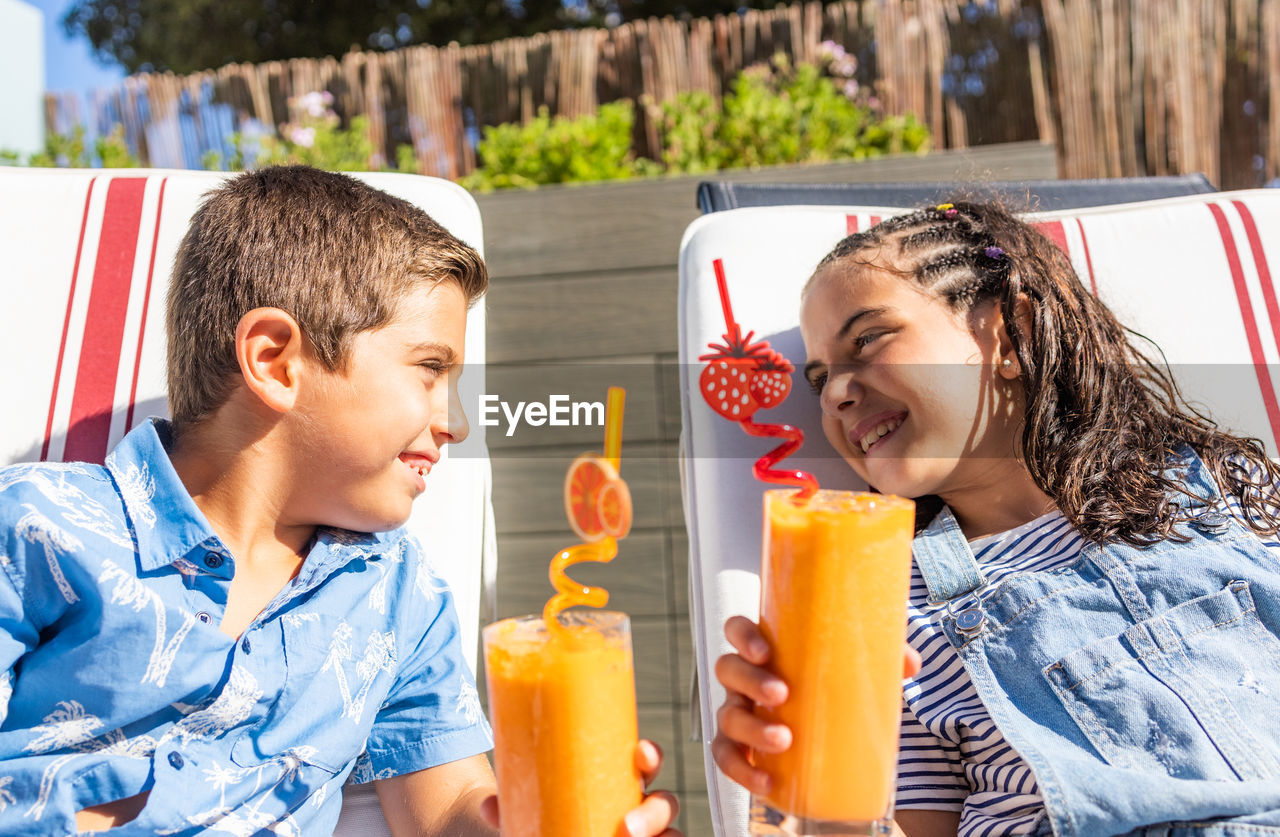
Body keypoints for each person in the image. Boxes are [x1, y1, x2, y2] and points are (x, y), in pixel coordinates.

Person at [0, 166, 679, 836]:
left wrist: (547, 821)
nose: (456, 423)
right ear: (275, 361)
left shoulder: (395, 596)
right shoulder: (38, 525)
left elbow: (448, 812)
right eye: (431, 369)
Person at [712, 200, 1280, 836]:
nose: (837, 392)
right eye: (819, 381)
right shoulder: (887, 612)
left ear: (1011, 335)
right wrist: (816, 783)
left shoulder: (1220, 489)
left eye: (867, 339)